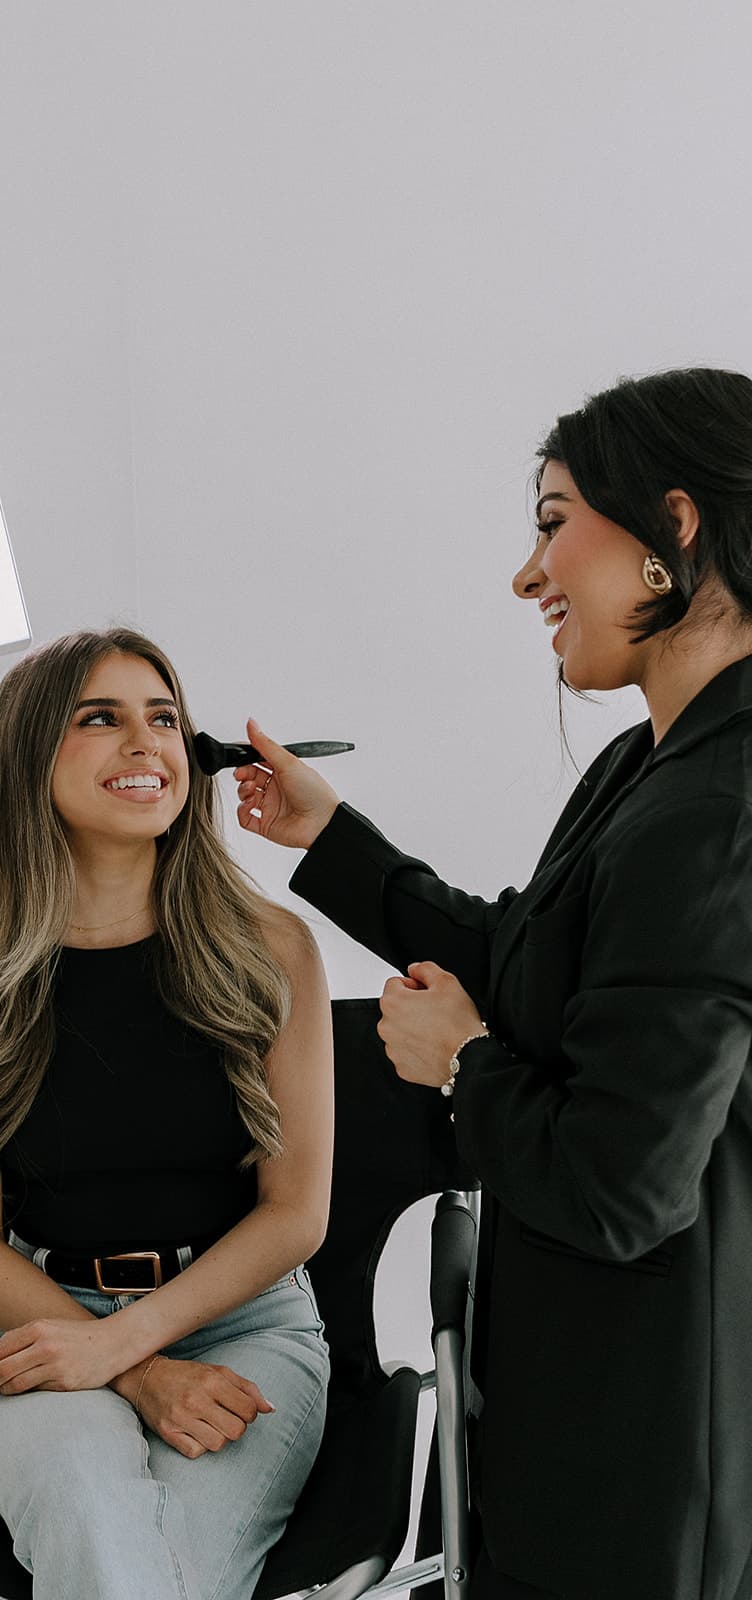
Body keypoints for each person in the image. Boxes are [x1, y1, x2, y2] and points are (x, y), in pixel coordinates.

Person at [236, 367, 752, 1600]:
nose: (527, 577)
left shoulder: (715, 811)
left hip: (643, 1437)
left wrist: (461, 1063)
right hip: (576, 1389)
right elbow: (534, 968)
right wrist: (335, 842)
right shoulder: (647, 763)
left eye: (551, 521)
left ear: (668, 531)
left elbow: (621, 1188)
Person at [0, 627, 334, 1600]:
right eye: (99, 718)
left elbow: (293, 1214)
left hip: (243, 1327)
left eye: (165, 720)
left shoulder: (273, 952)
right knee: (93, 1526)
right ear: (27, 757)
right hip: (38, 1325)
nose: (147, 744)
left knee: (164, 1569)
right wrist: (127, 1362)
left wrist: (130, 1342)